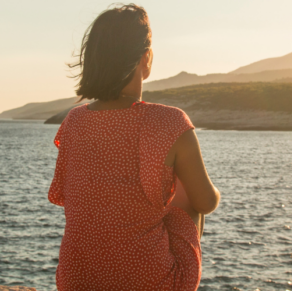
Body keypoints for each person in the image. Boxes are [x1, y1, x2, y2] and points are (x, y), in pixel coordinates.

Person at [48, 4, 220, 290]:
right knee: (186, 192)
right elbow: (205, 203)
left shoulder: (74, 121)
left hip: (75, 281)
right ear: (146, 58)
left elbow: (72, 197)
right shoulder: (170, 121)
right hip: (149, 282)